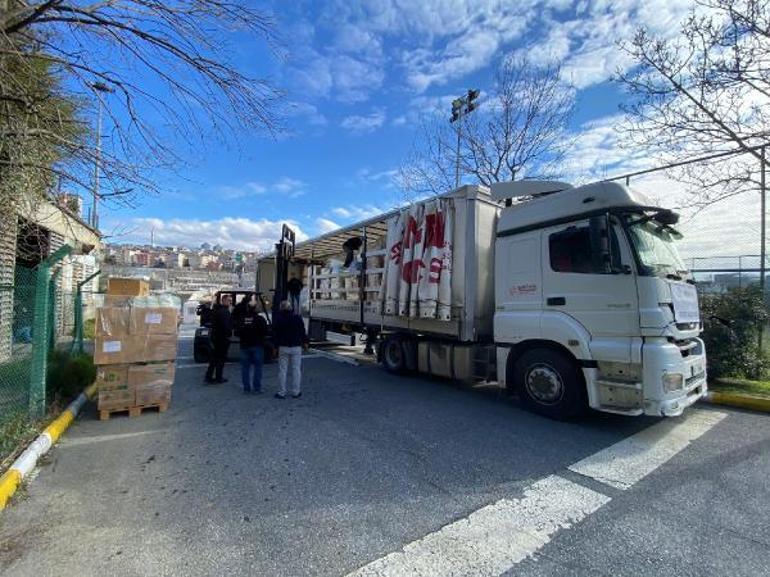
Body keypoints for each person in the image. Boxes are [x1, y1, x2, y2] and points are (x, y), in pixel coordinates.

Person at [272, 300, 308, 399]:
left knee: (282, 370)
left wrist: (275, 347)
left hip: (283, 346)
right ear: (290, 308)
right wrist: (305, 343)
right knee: (296, 369)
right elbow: (302, 331)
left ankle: (281, 392)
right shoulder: (297, 318)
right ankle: (296, 392)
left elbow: (276, 335)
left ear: (281, 309)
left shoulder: (278, 319)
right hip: (296, 346)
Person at [237, 294, 268, 394]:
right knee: (258, 368)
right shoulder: (260, 319)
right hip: (257, 345)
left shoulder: (241, 319)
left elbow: (237, 332)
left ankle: (246, 388)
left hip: (244, 346)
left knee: (245, 368)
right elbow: (265, 331)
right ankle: (257, 388)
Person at [205, 293, 233, 384]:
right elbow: (226, 326)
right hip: (222, 338)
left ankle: (209, 376)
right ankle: (218, 377)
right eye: (229, 301)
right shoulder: (224, 312)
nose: (230, 302)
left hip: (216, 337)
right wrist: (229, 333)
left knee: (214, 359)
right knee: (220, 359)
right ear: (224, 300)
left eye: (231, 301)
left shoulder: (218, 310)